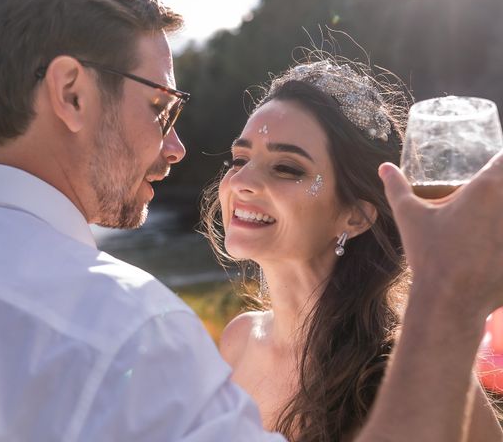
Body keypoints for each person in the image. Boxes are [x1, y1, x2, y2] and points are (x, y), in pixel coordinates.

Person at [0, 0, 502, 441]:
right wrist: (451, 298)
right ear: (72, 94)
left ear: (359, 211)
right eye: (159, 106)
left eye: (286, 167)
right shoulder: (125, 327)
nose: (175, 148)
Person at [202, 59, 502, 441]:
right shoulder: (238, 340)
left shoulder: (417, 371)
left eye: (286, 168)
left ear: (356, 216)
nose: (241, 181)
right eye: (240, 159)